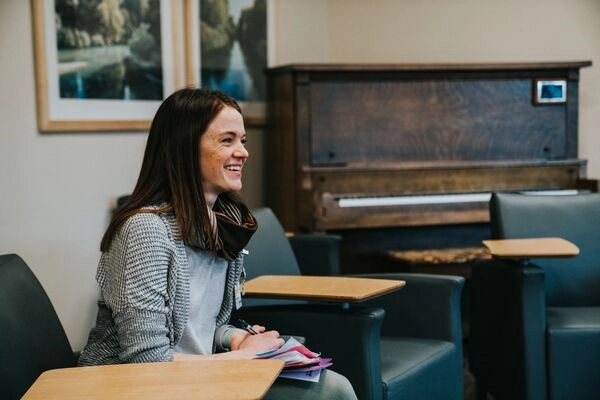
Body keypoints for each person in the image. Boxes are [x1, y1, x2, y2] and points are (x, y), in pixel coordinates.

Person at [78, 87, 357, 399]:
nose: (243, 152)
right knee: (332, 392)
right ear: (184, 148)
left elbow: (199, 327)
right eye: (227, 140)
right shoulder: (145, 230)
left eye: (243, 141)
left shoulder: (224, 223)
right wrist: (245, 356)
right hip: (141, 388)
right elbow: (146, 361)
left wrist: (234, 338)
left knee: (335, 387)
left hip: (205, 375)